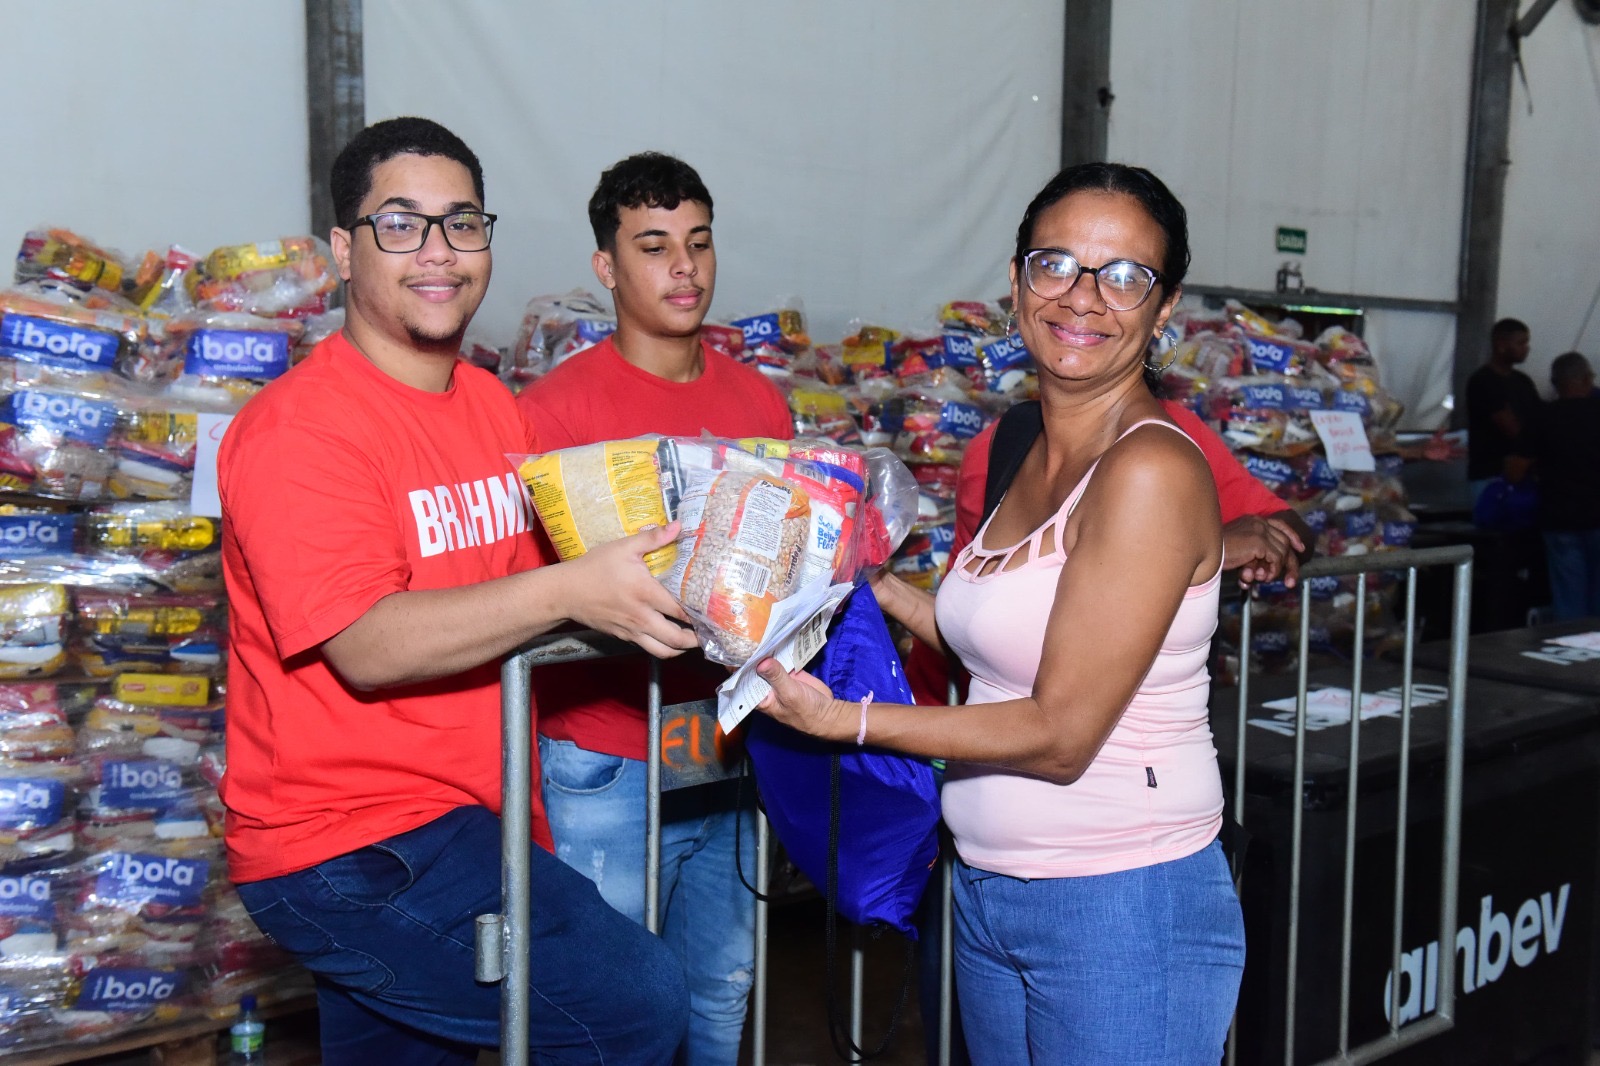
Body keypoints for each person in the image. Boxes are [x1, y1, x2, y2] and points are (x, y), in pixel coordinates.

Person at [219, 118, 697, 1065]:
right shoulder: (299, 431)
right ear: (343, 251)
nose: (438, 253)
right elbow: (367, 643)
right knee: (635, 1002)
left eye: (463, 224)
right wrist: (575, 587)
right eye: (400, 226)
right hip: (352, 845)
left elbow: (526, 592)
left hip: (463, 813)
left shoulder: (489, 404)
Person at [756, 163, 1245, 1064]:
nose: (1083, 298)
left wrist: (846, 721)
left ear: (1165, 306)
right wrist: (869, 582)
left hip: (1121, 905)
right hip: (991, 893)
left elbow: (1061, 731)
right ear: (1018, 282)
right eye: (1055, 263)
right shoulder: (1027, 441)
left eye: (1124, 275)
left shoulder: (1149, 471)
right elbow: (999, 642)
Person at [516, 152, 793, 1066]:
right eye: (655, 246)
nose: (685, 267)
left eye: (699, 243)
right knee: (607, 1006)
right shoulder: (555, 412)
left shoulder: (760, 404)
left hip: (725, 745)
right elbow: (528, 596)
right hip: (604, 753)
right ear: (608, 267)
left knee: (720, 988)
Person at [1511, 352, 1600, 619]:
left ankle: (1572, 654)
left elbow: (1514, 472)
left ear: (1554, 383)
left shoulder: (1542, 417)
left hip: (1558, 516)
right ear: (1588, 379)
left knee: (1568, 599)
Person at [1466, 317, 1540, 507]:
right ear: (1501, 344)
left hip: (1522, 474)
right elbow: (1509, 427)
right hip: (1491, 476)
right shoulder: (1483, 381)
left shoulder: (1523, 381)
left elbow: (1541, 417)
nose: (1527, 348)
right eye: (1521, 342)